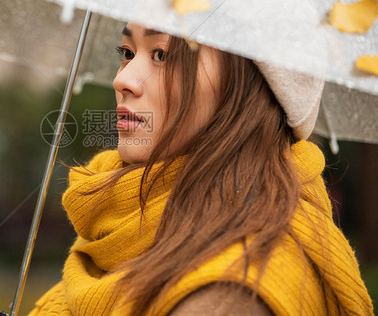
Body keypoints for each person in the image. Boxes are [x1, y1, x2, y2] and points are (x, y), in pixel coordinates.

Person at [28, 23, 373, 315]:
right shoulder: (116, 222)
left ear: (245, 88)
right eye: (127, 53)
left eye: (161, 55)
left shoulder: (233, 291)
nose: (123, 80)